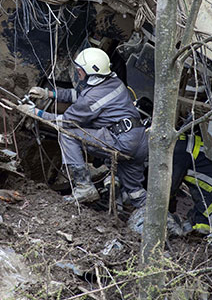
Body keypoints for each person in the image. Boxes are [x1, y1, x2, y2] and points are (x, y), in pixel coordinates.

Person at [18, 47, 148, 205]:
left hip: (121, 141)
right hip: (139, 140)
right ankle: (165, 224)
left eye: (80, 70)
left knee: (67, 134)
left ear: (90, 72)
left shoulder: (91, 99)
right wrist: (50, 94)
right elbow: (79, 95)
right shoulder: (113, 82)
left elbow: (65, 122)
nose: (78, 73)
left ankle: (84, 187)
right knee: (135, 192)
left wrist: (35, 113)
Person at [170, 133, 212, 235]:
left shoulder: (178, 152)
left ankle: (203, 236)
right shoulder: (182, 141)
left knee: (205, 221)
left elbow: (170, 185)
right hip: (211, 185)